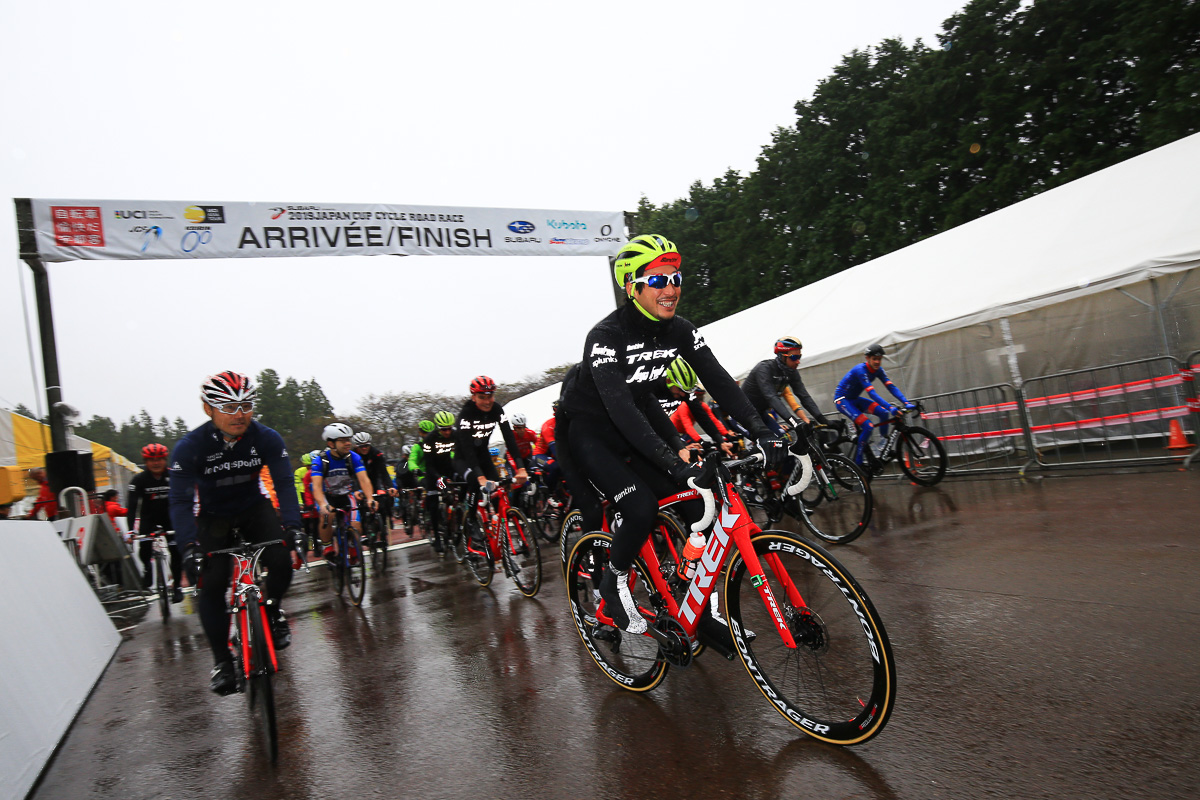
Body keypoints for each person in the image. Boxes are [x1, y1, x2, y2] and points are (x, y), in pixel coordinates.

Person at [558, 233, 784, 633]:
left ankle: (703, 607)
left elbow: (719, 382)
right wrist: (670, 459)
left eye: (676, 278)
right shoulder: (606, 336)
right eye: (659, 280)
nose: (671, 288)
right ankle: (612, 588)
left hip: (633, 429)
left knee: (700, 505)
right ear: (633, 286)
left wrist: (763, 431)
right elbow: (621, 407)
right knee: (641, 507)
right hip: (590, 433)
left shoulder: (679, 330)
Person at [168, 371, 302, 695]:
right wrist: (188, 546)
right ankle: (222, 661)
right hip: (213, 518)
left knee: (282, 560)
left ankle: (271, 611)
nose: (239, 414)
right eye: (228, 406)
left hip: (254, 509)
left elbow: (284, 484)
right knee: (211, 583)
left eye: (246, 405)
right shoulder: (190, 447)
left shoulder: (266, 438)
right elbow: (181, 501)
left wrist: (295, 527)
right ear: (207, 409)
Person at [455, 376, 528, 527]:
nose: (488, 401)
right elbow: (467, 449)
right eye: (482, 397)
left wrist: (520, 468)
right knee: (475, 482)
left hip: (483, 455)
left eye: (490, 396)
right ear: (473, 397)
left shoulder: (497, 410)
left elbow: (509, 438)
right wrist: (480, 477)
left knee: (498, 490)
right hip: (464, 458)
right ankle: (471, 521)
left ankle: (500, 529)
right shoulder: (466, 414)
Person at [834, 343, 916, 465]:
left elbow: (891, 387)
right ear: (867, 358)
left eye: (879, 359)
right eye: (874, 359)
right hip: (842, 400)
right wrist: (891, 407)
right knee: (868, 426)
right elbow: (872, 394)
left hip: (854, 399)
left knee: (883, 413)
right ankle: (859, 463)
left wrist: (906, 402)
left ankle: (883, 446)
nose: (877, 362)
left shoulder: (879, 371)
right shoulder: (860, 370)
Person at [310, 423, 378, 562]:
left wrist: (370, 498)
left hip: (346, 495)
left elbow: (364, 480)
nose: (348, 443)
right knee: (326, 516)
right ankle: (327, 545)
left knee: (356, 525)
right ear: (331, 443)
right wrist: (322, 504)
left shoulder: (353, 457)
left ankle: (352, 544)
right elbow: (316, 487)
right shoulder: (320, 460)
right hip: (328, 496)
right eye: (343, 441)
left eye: (348, 439)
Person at [127, 443, 182, 601]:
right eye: (151, 460)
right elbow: (131, 507)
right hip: (148, 519)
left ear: (165, 460)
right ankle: (147, 569)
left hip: (170, 518)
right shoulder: (138, 479)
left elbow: (185, 498)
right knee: (144, 549)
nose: (156, 463)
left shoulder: (173, 476)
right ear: (145, 461)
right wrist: (131, 530)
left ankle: (177, 585)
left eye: (159, 459)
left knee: (176, 552)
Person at [744, 336, 831, 436]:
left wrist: (822, 419)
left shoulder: (791, 372)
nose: (798, 361)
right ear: (782, 356)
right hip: (745, 414)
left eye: (799, 357)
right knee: (767, 441)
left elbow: (804, 396)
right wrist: (794, 422)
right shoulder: (764, 369)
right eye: (794, 357)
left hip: (761, 413)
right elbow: (771, 397)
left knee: (783, 439)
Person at [420, 411, 459, 553]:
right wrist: (437, 478)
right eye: (444, 429)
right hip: (433, 472)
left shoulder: (455, 435)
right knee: (434, 501)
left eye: (449, 428)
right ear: (438, 428)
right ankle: (437, 536)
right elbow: (428, 464)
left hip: (448, 468)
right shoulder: (429, 439)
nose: (447, 432)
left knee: (459, 490)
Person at [351, 431, 397, 546]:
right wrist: (357, 490)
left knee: (381, 500)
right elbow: (353, 476)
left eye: (367, 445)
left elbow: (384, 473)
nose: (364, 448)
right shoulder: (352, 456)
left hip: (374, 480)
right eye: (361, 446)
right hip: (359, 481)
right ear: (357, 446)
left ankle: (383, 530)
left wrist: (390, 486)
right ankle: (366, 532)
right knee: (361, 504)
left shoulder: (376, 454)